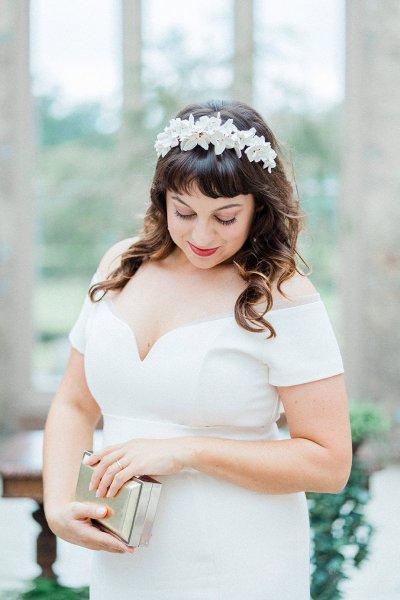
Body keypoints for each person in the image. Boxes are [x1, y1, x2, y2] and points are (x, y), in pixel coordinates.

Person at [43, 99, 352, 599]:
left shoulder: (282, 294)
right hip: (125, 558)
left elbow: (329, 463)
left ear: (259, 208)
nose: (202, 235)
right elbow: (75, 402)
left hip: (240, 561)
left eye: (226, 217)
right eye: (183, 212)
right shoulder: (121, 264)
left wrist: (184, 451)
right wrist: (59, 504)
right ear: (161, 198)